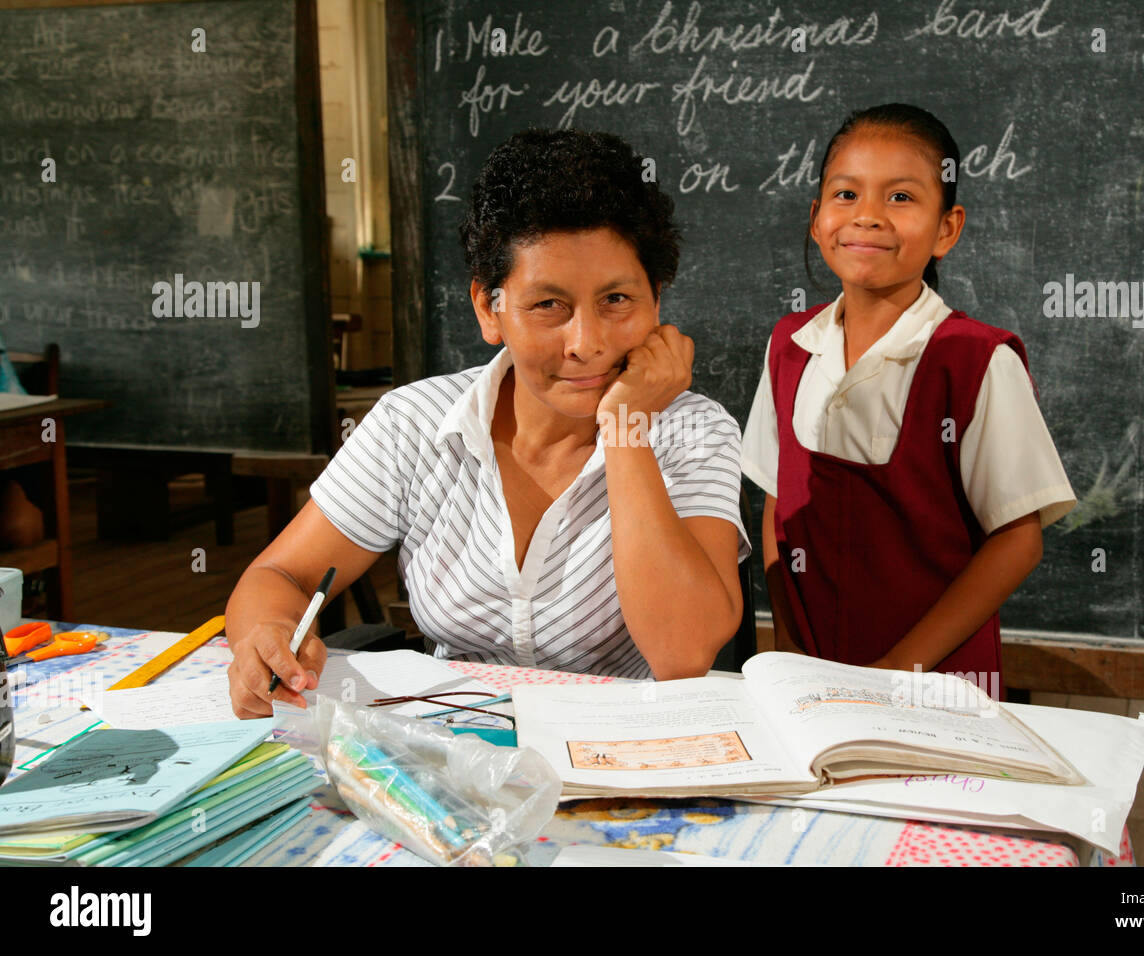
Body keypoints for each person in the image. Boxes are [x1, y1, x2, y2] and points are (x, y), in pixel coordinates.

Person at [225, 128, 751, 718]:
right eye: (548, 304)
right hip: (449, 754)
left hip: (621, 751)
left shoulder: (694, 432)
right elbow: (280, 572)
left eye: (617, 300)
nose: (587, 343)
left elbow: (683, 653)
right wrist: (267, 635)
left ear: (656, 300)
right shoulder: (414, 424)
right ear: (489, 308)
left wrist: (626, 428)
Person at [740, 104, 1075, 692]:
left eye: (900, 198)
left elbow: (1018, 540)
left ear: (947, 228)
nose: (867, 217)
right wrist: (789, 643)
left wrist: (897, 673)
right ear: (817, 219)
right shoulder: (789, 346)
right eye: (846, 195)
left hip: (935, 685)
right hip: (811, 675)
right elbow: (776, 502)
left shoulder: (975, 361)